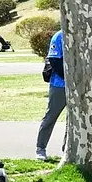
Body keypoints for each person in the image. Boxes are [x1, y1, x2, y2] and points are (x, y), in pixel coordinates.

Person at [36, 29, 67, 161]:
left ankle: (66, 149)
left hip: (80, 87)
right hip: (59, 85)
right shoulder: (59, 36)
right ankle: (40, 148)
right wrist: (69, 78)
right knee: (50, 116)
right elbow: (54, 60)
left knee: (73, 120)